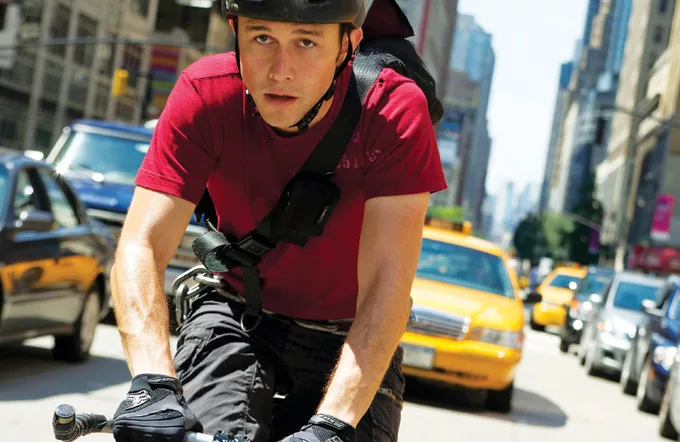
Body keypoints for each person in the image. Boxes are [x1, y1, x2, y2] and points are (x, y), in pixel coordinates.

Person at [109, 1, 447, 441]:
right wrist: (152, 383)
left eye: (306, 42)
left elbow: (388, 284)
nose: (280, 70)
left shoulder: (393, 110)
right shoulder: (205, 92)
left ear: (347, 44)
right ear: (236, 33)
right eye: (262, 37)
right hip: (237, 311)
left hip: (353, 334)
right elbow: (142, 244)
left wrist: (332, 425)